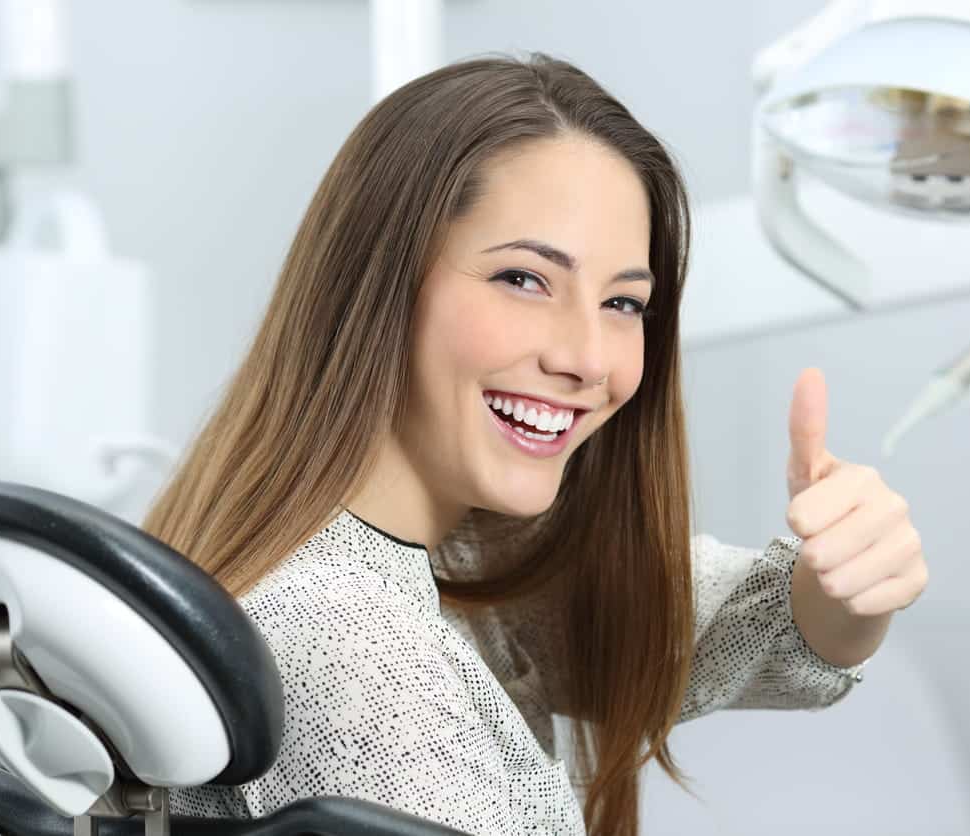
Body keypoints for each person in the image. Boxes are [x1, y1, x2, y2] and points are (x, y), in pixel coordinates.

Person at [154, 53, 928, 836]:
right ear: (379, 280)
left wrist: (844, 586)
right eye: (524, 279)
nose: (588, 358)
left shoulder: (458, 558)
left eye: (624, 302)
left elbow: (672, 619)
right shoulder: (350, 636)